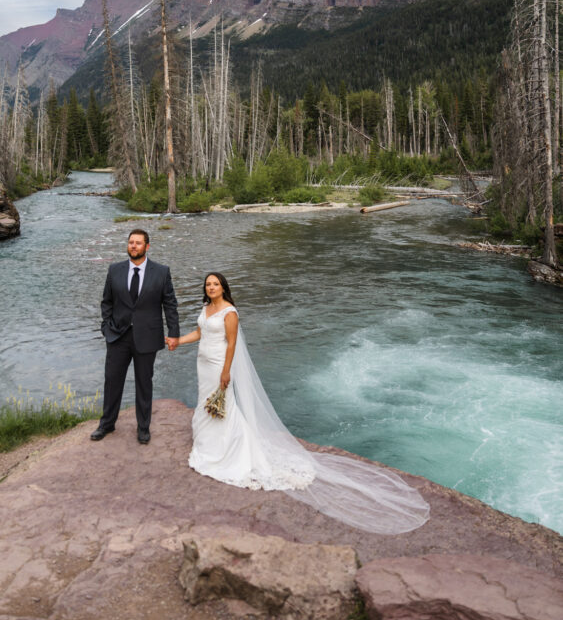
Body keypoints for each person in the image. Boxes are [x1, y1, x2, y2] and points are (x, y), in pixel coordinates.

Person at [167, 272, 429, 534]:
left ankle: (225, 450)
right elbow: (201, 333)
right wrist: (179, 341)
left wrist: (226, 371)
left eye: (216, 284)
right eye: (208, 284)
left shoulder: (229, 312)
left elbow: (232, 343)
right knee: (206, 402)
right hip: (203, 363)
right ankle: (208, 444)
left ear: (223, 288)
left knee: (223, 406)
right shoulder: (206, 307)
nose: (211, 287)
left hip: (218, 364)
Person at [92, 228, 180, 444]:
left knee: (144, 383)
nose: (133, 246)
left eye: (138, 243)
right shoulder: (115, 270)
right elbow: (107, 302)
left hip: (147, 337)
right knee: (112, 381)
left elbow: (169, 304)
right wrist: (106, 327)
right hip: (118, 336)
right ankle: (107, 424)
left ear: (147, 246)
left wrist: (174, 333)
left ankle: (143, 428)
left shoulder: (161, 272)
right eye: (131, 242)